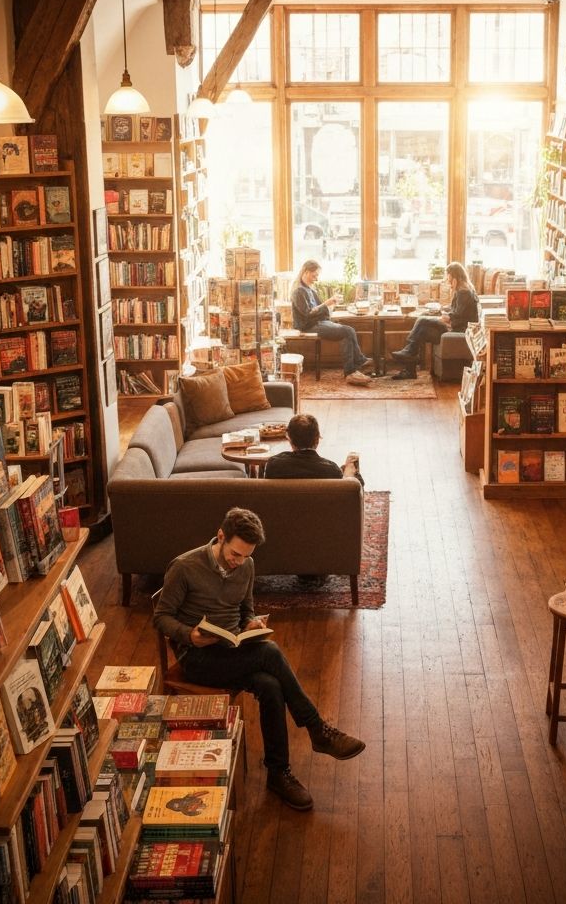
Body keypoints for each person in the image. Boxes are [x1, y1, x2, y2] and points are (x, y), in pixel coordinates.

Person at [153, 507, 365, 811]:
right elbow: (160, 617)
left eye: (245, 556)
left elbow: (246, 610)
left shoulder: (247, 566)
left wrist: (251, 624)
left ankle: (279, 773)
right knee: (270, 652)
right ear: (221, 536)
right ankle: (318, 729)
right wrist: (190, 635)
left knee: (270, 685)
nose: (238, 562)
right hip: (197, 657)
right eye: (235, 554)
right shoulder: (185, 567)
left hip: (231, 649)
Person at [265, 413, 362, 588]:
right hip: (323, 543)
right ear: (317, 439)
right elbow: (349, 496)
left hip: (285, 543)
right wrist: (349, 473)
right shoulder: (330, 470)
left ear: (289, 438)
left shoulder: (273, 466)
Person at [390, 261, 480, 379]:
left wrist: (446, 317)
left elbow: (458, 318)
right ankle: (409, 368)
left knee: (421, 320)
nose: (448, 281)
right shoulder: (464, 290)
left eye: (449, 278)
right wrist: (445, 310)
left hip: (458, 329)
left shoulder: (464, 292)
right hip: (455, 326)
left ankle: (408, 354)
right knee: (421, 332)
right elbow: (459, 311)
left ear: (455, 277)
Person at [291, 259, 373, 386]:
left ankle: (351, 372)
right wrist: (327, 303)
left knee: (347, 332)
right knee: (347, 331)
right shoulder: (298, 291)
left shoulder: (309, 289)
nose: (316, 279)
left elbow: (320, 309)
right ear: (306, 272)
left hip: (318, 322)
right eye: (315, 275)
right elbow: (308, 314)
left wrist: (332, 304)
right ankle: (355, 367)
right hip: (308, 327)